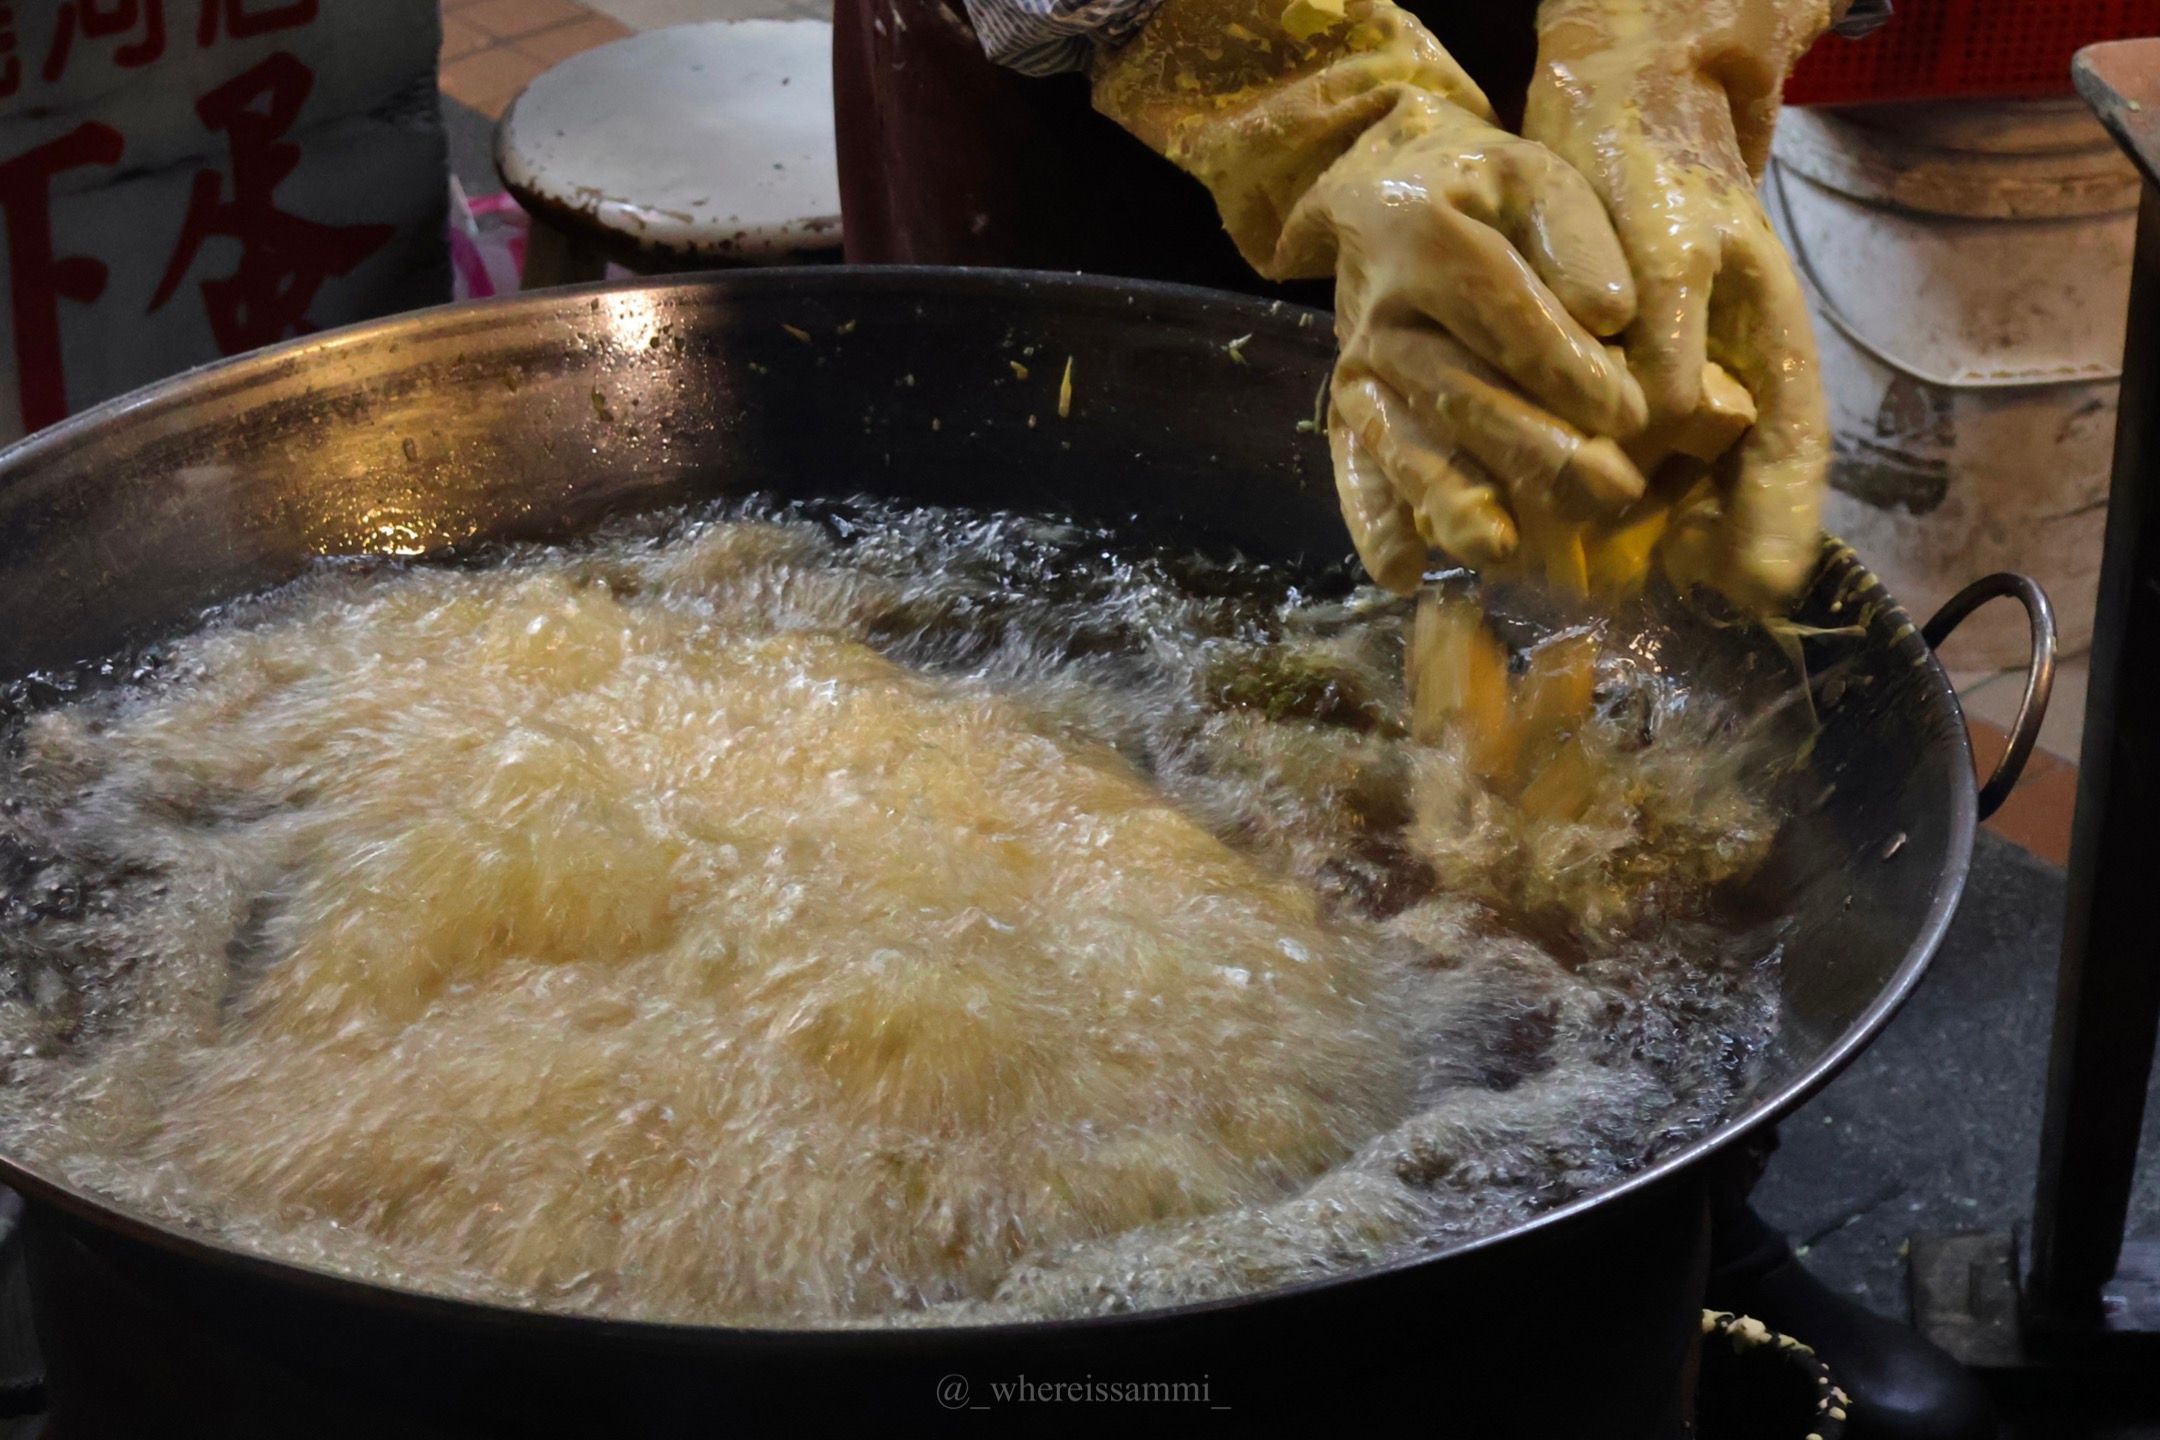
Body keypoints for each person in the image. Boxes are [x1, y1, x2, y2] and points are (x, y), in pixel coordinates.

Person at [833, 3, 1991, 1436]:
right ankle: (1096, 1327)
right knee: (1088, 791)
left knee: (1588, 768)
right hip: (1095, 86)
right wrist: (1312, 99)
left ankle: (1665, 1222)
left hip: (1560, 53)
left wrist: (1679, 47)